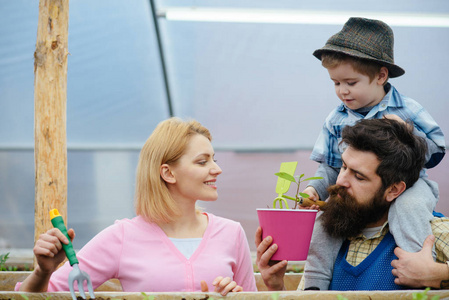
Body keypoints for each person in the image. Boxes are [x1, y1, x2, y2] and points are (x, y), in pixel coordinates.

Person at [16, 117, 256, 295]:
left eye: (214, 159)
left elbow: (256, 299)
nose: (217, 169)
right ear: (168, 173)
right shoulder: (122, 237)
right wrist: (43, 272)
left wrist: (237, 298)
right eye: (203, 162)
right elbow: (38, 295)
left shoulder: (231, 233)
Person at [300, 17, 445, 290]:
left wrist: (409, 134)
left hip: (412, 186)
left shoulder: (408, 109)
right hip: (370, 198)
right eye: (335, 83)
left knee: (408, 207)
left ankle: (417, 266)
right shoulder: (335, 119)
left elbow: (438, 150)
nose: (342, 91)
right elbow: (330, 167)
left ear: (380, 76)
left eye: (351, 82)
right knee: (325, 220)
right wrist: (313, 191)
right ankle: (314, 286)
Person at [256, 118, 449, 290]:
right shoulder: (331, 236)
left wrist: (439, 274)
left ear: (393, 190)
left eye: (359, 177)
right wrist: (277, 287)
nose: (340, 181)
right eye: (344, 167)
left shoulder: (434, 234)